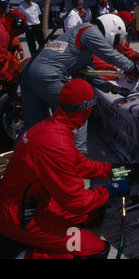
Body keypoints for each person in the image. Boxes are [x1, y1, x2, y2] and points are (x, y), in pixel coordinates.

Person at [0, 79, 130, 259]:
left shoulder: (53, 127)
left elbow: (80, 165)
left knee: (95, 213)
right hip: (20, 217)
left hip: (34, 201)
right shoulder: (58, 144)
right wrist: (112, 190)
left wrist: (115, 170)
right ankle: (21, 255)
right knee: (96, 250)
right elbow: (76, 202)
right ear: (86, 109)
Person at [18, 14, 139, 155]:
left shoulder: (81, 41)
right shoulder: (89, 31)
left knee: (33, 124)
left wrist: (114, 89)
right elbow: (110, 55)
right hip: (47, 75)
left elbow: (90, 74)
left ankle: (20, 161)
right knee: (77, 113)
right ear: (112, 29)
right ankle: (77, 159)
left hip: (29, 73)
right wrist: (134, 67)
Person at [0, 10, 28, 87]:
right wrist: (11, 81)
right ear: (17, 25)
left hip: (12, 54)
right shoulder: (3, 35)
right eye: (22, 30)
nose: (20, 34)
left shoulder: (4, 25)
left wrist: (20, 48)